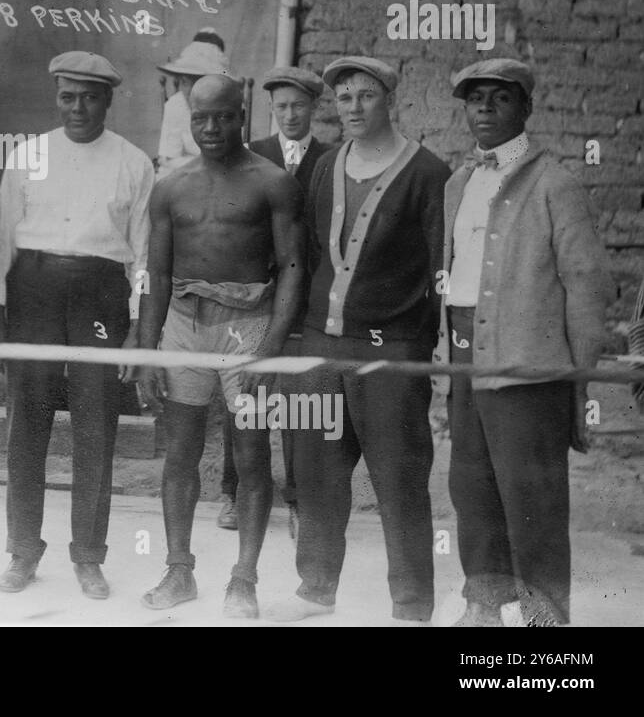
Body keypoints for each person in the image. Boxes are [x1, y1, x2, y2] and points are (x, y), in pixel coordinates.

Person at [271, 56, 449, 623]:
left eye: (365, 96)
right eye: (343, 98)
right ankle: (315, 588)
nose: (352, 108)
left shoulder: (427, 172)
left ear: (389, 100)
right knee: (319, 473)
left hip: (392, 349)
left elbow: (440, 267)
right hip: (325, 343)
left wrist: (421, 345)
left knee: (399, 479)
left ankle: (412, 603)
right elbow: (316, 255)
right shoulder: (326, 165)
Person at [438, 59, 612, 626]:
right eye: (474, 99)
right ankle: (484, 604)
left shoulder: (555, 183)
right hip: (465, 355)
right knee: (472, 483)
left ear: (526, 108)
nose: (485, 109)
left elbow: (587, 285)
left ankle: (545, 618)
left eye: (500, 98)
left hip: (528, 364)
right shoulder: (458, 183)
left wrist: (574, 377)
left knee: (531, 495)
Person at [132, 73, 304, 615]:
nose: (211, 128)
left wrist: (270, 345)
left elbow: (294, 269)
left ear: (243, 115)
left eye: (223, 116)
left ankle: (244, 580)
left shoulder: (271, 182)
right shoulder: (171, 186)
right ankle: (179, 570)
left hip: (246, 328)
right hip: (183, 327)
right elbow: (156, 275)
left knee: (250, 454)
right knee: (180, 452)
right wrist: (147, 349)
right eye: (200, 118)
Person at [0, 52, 153, 600]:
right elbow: (3, 244)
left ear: (107, 99)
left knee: (94, 426)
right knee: (26, 425)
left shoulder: (134, 163)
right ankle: (23, 551)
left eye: (90, 97)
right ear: (56, 97)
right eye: (67, 96)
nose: (78, 108)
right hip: (33, 293)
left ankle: (88, 556)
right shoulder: (28, 156)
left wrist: (135, 329)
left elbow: (145, 259)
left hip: (99, 297)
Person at [220, 66, 331, 536]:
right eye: (281, 106)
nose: (290, 114)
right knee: (246, 394)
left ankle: (299, 501)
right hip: (254, 295)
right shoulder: (250, 155)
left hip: (305, 297)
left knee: (300, 402)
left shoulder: (330, 159)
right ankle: (234, 493)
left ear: (313, 109)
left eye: (299, 106)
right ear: (271, 109)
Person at [155, 29, 228, 178]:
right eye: (184, 82)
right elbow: (169, 158)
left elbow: (230, 159)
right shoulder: (175, 105)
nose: (189, 91)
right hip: (183, 177)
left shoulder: (227, 108)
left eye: (197, 82)